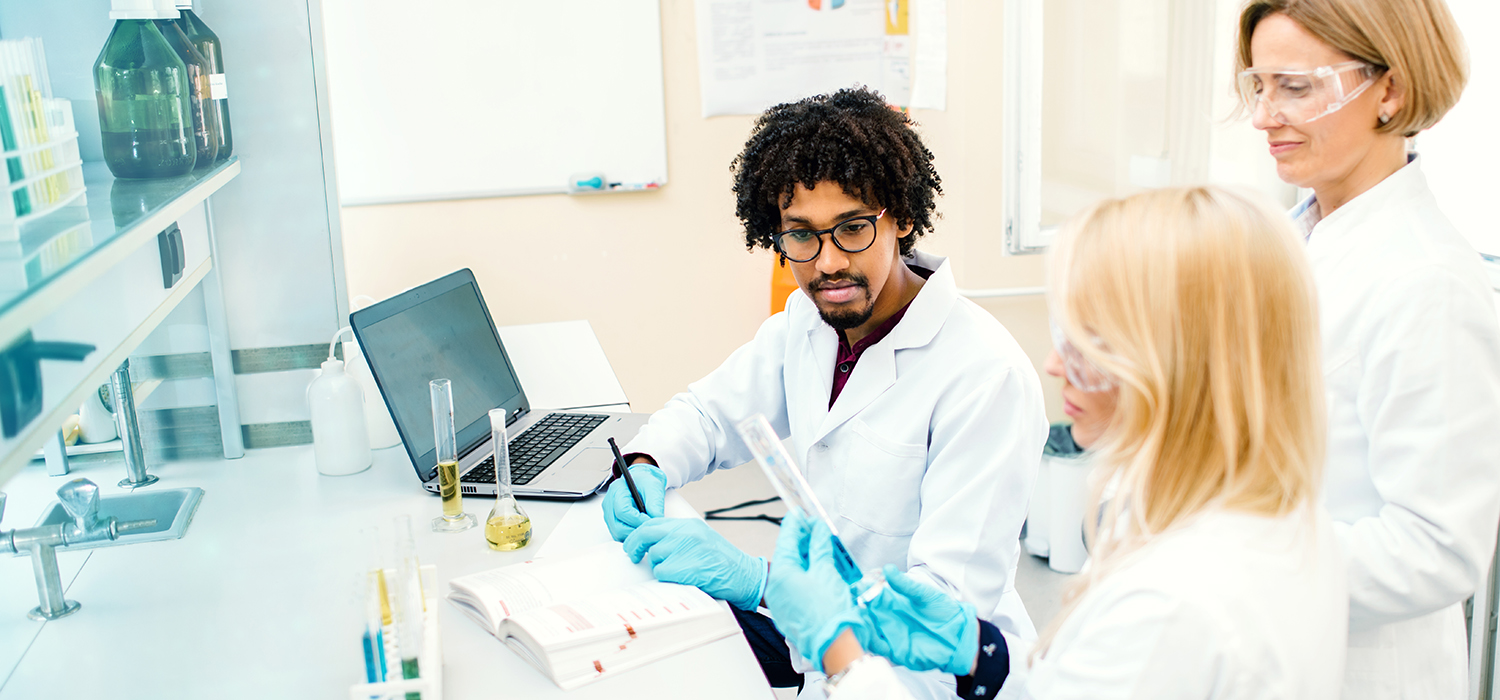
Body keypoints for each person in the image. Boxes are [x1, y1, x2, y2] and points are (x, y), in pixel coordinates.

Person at [766, 186, 1350, 699]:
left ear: (1181, 363)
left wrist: (840, 659)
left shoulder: (1173, 601)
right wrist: (981, 656)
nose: (1052, 365)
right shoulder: (1275, 518)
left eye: (1087, 342)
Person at [599, 87, 1048, 696]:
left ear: (903, 217)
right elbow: (709, 414)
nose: (828, 263)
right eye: (801, 236)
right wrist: (648, 463)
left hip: (917, 681)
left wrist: (762, 582)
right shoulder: (807, 321)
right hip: (821, 649)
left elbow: (943, 610)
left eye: (852, 228)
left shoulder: (985, 376)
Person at [1237, 1, 1500, 696]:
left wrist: (1231, 560)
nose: (1265, 115)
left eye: (1295, 87)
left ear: (1392, 90)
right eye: (1258, 86)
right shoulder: (1294, 242)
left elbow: (1438, 550)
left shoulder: (1429, 282)